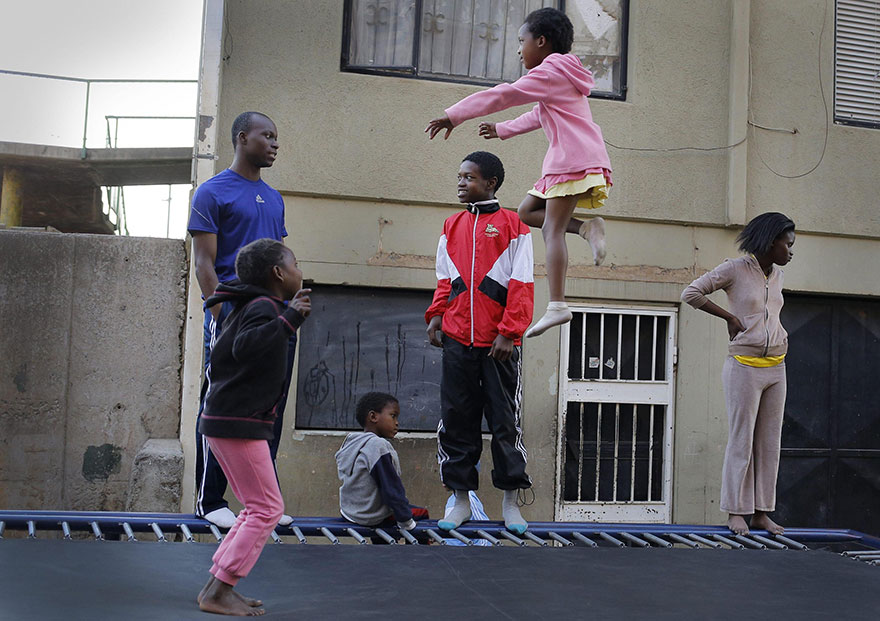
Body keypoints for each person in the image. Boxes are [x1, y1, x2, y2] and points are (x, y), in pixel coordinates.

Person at [426, 7, 612, 338]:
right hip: (571, 158)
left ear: (541, 41)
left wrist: (455, 115)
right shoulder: (560, 74)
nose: (518, 49)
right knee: (527, 212)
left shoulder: (551, 72)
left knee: (551, 230)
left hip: (571, 159)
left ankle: (557, 305)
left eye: (521, 41)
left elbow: (505, 94)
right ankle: (586, 228)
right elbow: (538, 115)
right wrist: (503, 129)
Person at [187, 111, 296, 528]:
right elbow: (204, 264)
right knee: (220, 404)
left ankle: (262, 501)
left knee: (270, 406)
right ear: (241, 138)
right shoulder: (212, 192)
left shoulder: (274, 197)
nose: (274, 143)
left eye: (276, 136)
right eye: (266, 136)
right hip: (232, 311)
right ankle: (209, 499)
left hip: (273, 312)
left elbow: (278, 262)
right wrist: (219, 315)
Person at [196, 238, 311, 616]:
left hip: (228, 419)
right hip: (237, 422)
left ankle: (217, 587)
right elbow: (247, 348)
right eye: (294, 264)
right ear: (278, 273)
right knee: (267, 509)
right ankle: (220, 590)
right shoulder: (264, 307)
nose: (299, 271)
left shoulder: (251, 305)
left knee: (253, 508)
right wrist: (289, 318)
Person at [425, 151, 534, 534]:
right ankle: (459, 498)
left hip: (498, 344)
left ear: (490, 183)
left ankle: (510, 501)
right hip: (457, 339)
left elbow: (521, 283)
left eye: (468, 177)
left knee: (505, 422)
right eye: (458, 176)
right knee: (456, 419)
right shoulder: (451, 224)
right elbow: (446, 278)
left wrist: (510, 331)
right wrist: (437, 314)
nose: (460, 183)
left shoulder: (515, 225)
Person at [681, 212, 796, 537]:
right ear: (771, 242)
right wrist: (729, 318)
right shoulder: (735, 269)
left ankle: (761, 513)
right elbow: (692, 293)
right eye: (787, 245)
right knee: (741, 440)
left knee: (769, 444)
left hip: (777, 366)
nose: (791, 251)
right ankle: (736, 512)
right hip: (744, 366)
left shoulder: (777, 277)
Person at [335, 392, 429, 536]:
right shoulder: (377, 446)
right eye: (393, 416)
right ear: (373, 417)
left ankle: (382, 548)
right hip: (369, 516)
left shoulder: (352, 443)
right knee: (421, 514)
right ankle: (417, 553)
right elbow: (391, 488)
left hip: (350, 512)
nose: (397, 422)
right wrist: (406, 521)